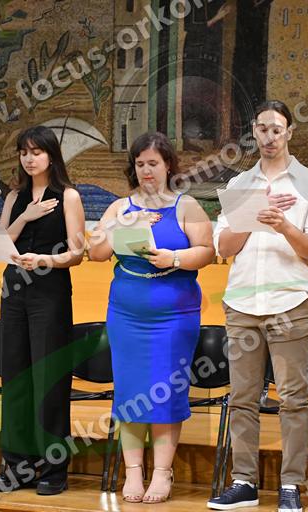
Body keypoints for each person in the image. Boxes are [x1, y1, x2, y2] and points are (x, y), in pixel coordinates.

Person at [207, 101, 308, 512]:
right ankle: (244, 481)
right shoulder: (240, 183)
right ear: (254, 132)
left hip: (291, 301)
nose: (269, 137)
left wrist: (284, 225)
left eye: (277, 129)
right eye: (262, 129)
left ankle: (291, 485)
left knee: (293, 398)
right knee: (242, 397)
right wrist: (251, 218)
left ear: (289, 132)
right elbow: (223, 248)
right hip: (243, 301)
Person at [88, 132, 215, 504]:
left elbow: (207, 251)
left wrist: (173, 258)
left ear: (168, 165)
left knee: (165, 392)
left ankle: (162, 472)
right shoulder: (119, 207)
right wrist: (121, 224)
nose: (146, 170)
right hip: (127, 314)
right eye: (140, 163)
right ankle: (133, 472)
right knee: (130, 393)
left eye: (153, 163)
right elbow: (96, 253)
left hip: (174, 316)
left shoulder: (187, 205)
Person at [0, 126, 86, 495]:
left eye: (37, 152)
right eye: (24, 152)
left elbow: (77, 253)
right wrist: (26, 216)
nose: (29, 159)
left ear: (51, 155)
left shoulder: (69, 196)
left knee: (49, 376)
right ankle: (17, 465)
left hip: (50, 292)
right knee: (15, 377)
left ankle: (53, 467)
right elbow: (1, 243)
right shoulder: (15, 196)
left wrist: (45, 259)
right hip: (14, 290)